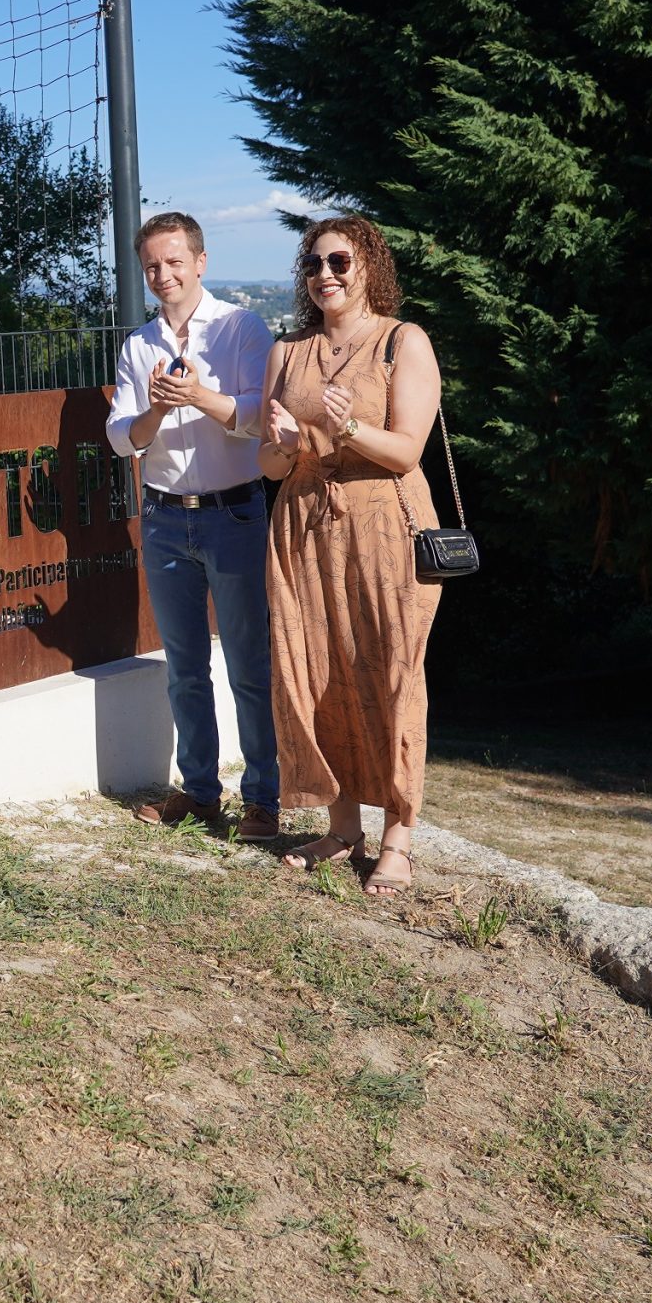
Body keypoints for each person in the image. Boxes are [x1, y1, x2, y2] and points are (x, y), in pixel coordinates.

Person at [258, 215, 443, 895]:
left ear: (369, 266)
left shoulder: (402, 342)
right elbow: (272, 465)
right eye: (313, 264)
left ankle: (398, 833)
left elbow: (406, 451)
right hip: (304, 525)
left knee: (391, 672)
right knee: (315, 671)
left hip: (383, 527)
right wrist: (283, 439)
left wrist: (349, 426)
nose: (325, 275)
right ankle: (342, 827)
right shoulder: (288, 352)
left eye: (339, 261)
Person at [104, 211, 280, 841]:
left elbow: (266, 415)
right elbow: (123, 439)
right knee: (184, 665)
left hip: (234, 513)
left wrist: (202, 397)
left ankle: (263, 798)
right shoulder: (138, 344)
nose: (163, 275)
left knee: (248, 664)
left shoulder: (241, 327)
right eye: (152, 265)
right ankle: (201, 793)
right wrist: (156, 408)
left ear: (200, 262)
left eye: (175, 261)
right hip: (163, 519)